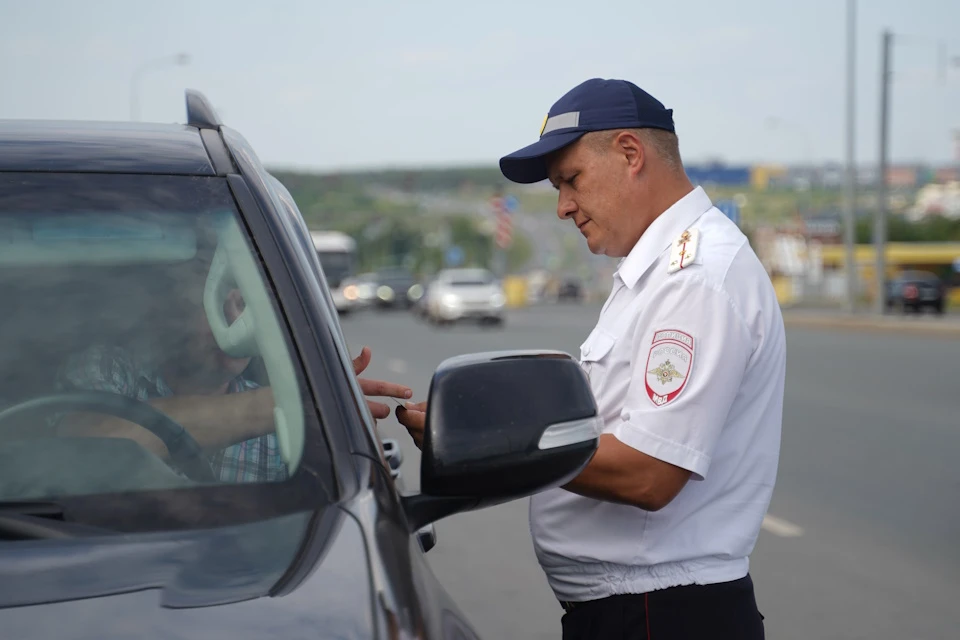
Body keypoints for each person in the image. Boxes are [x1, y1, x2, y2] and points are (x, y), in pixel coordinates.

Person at [397, 78, 786, 639]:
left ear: (630, 154)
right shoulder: (654, 275)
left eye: (571, 180)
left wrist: (486, 439)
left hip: (661, 614)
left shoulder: (694, 278)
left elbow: (649, 473)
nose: (562, 207)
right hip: (639, 610)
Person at [55, 249, 411, 483]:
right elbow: (84, 451)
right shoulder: (110, 368)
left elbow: (359, 509)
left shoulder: (294, 427)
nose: (237, 319)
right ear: (165, 313)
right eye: (214, 298)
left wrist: (350, 429)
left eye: (245, 302)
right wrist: (291, 403)